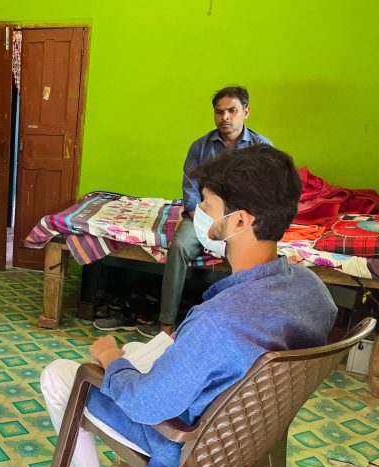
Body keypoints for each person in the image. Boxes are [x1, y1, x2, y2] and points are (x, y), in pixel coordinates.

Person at [36, 145, 337, 467]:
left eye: (208, 206)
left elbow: (146, 404)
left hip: (189, 442)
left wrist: (109, 358)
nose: (199, 215)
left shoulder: (217, 322)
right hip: (252, 432)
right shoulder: (312, 290)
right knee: (138, 351)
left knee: (64, 375)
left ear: (242, 221)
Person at [97, 86, 272, 336]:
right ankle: (166, 322)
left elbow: (267, 192)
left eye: (232, 111)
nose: (225, 117)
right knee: (179, 246)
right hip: (203, 215)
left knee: (248, 257)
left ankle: (240, 328)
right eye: (219, 112)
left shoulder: (262, 148)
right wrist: (200, 217)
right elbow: (190, 188)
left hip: (243, 219)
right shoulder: (200, 147)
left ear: (246, 111)